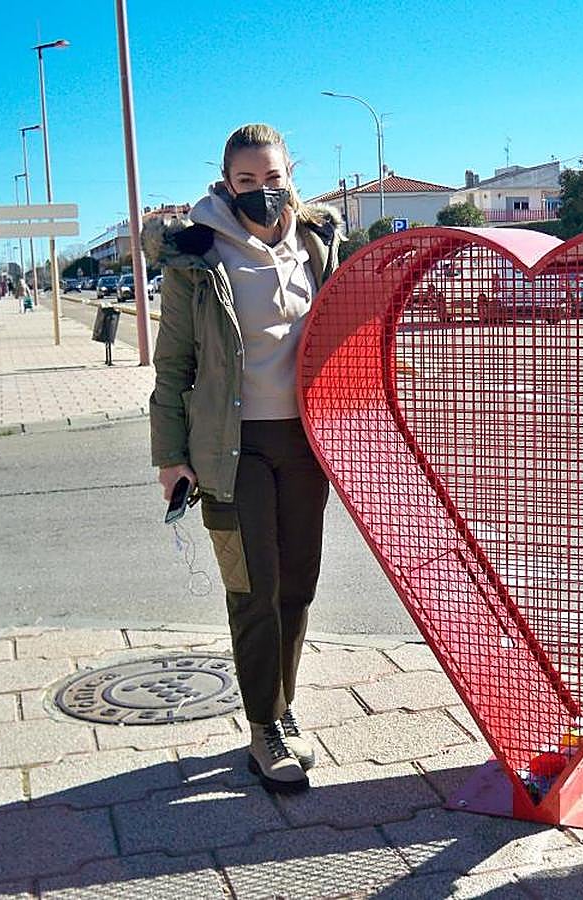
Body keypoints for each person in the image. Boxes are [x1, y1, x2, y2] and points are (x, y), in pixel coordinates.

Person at [148, 123, 343, 794]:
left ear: (291, 174)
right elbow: (173, 362)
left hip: (306, 443)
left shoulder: (319, 243)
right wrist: (169, 456)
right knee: (252, 590)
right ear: (226, 185)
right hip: (230, 450)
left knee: (298, 586)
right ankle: (262, 727)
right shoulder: (196, 256)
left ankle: (281, 709)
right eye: (246, 182)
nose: (262, 191)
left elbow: (344, 335)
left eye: (273, 177)